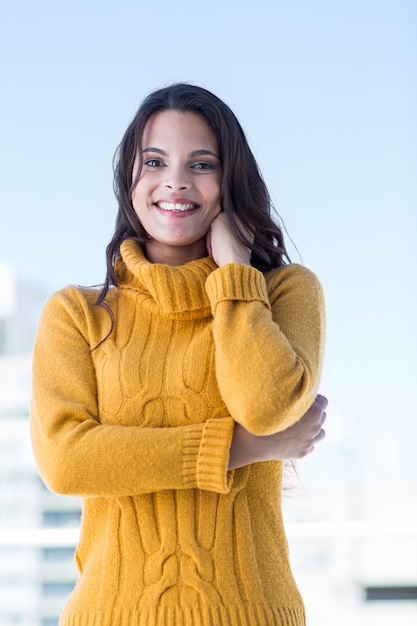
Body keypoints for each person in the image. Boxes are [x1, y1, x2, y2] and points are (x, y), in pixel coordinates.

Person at [31, 83, 327, 626]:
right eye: (154, 161)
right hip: (109, 615)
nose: (175, 181)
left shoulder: (282, 291)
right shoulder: (77, 314)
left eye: (201, 163)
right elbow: (67, 459)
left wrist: (235, 272)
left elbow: (264, 406)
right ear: (130, 178)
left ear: (229, 181)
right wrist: (234, 449)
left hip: (252, 613)